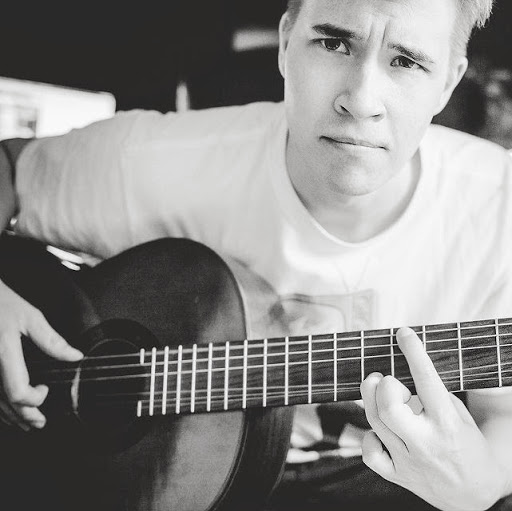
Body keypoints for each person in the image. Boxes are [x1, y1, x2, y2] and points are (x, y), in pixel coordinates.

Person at [0, 0, 511, 509]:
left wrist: (485, 484)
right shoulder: (157, 162)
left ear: (448, 81)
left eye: (406, 61)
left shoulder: (498, 208)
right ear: (286, 44)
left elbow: (502, 416)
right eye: (334, 43)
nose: (361, 101)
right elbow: (9, 166)